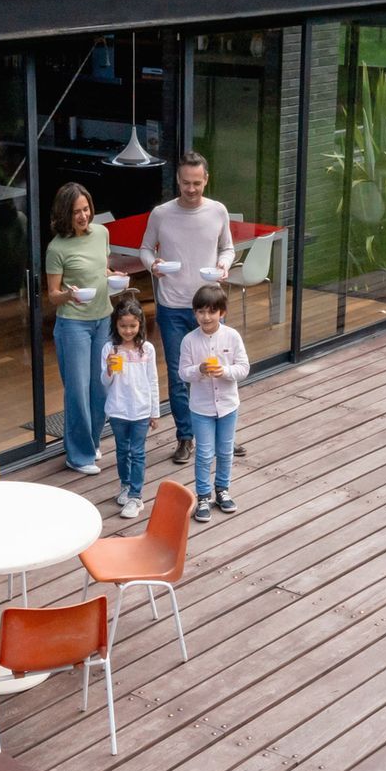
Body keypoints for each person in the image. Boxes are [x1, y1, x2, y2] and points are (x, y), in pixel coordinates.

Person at [140, 152, 241, 466]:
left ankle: (219, 434)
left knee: (216, 371)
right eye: (186, 183)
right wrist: (151, 265)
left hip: (209, 306)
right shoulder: (161, 214)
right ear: (178, 180)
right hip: (172, 307)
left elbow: (227, 247)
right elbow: (145, 248)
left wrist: (224, 265)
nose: (192, 189)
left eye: (197, 183)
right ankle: (185, 436)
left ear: (206, 180)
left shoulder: (218, 211)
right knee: (179, 375)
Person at [44, 182, 128, 475]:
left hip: (102, 319)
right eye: (76, 211)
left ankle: (90, 444)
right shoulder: (56, 248)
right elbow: (52, 294)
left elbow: (100, 270)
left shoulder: (102, 233)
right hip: (74, 326)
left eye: (86, 209)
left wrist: (113, 276)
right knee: (77, 391)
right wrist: (69, 295)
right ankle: (77, 456)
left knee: (100, 386)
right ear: (64, 214)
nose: (82, 216)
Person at [175, 283, 249, 523]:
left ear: (222, 312)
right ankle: (203, 495)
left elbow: (244, 368)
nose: (205, 317)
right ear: (194, 313)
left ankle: (223, 489)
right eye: (200, 312)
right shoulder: (189, 340)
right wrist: (199, 369)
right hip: (201, 408)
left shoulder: (232, 336)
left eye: (211, 312)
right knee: (204, 453)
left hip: (228, 405)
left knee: (225, 450)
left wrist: (224, 371)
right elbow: (183, 373)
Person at [102, 297, 157, 519]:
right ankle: (125, 485)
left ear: (140, 324)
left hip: (141, 409)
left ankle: (136, 495)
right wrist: (109, 368)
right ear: (116, 324)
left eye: (132, 326)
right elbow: (104, 382)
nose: (128, 330)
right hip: (118, 409)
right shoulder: (110, 348)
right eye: (123, 326)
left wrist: (155, 412)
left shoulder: (147, 350)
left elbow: (153, 380)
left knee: (138, 452)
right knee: (122, 450)